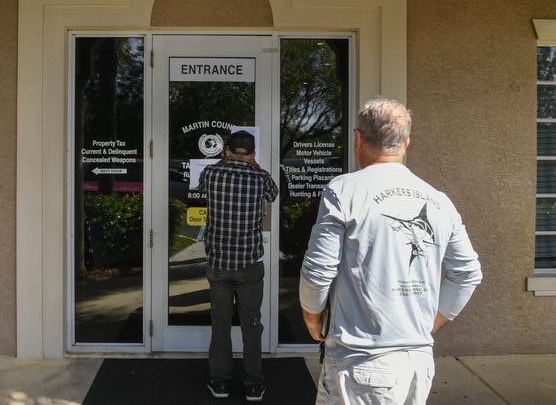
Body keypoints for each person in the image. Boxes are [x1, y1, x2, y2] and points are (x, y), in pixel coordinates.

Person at [299, 97, 483, 405]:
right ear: (406, 142)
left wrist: (311, 317)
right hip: (417, 364)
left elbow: (318, 271)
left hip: (361, 363)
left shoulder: (343, 190)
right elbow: (467, 274)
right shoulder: (438, 200)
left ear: (358, 139)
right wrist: (430, 325)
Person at [198, 129, 279, 402]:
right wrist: (254, 165)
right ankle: (253, 384)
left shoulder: (211, 174)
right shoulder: (260, 178)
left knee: (220, 323)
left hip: (219, 262)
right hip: (249, 264)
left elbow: (202, 185)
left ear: (227, 151)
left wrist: (225, 160)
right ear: (253, 154)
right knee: (251, 324)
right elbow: (274, 194)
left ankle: (219, 382)